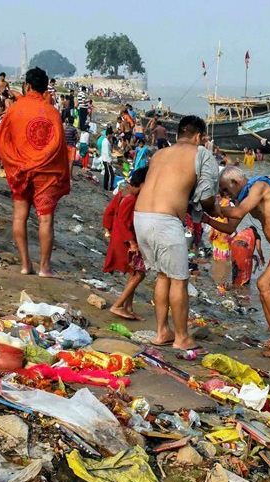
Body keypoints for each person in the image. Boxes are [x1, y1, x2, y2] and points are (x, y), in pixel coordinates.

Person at [134, 115, 219, 352]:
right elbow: (206, 197)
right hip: (165, 221)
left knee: (163, 276)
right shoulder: (202, 154)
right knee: (179, 280)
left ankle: (162, 331)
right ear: (199, 137)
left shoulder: (159, 154)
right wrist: (217, 211)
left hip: (140, 216)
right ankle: (182, 337)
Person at [208, 167, 270, 357]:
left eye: (225, 190)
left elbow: (237, 212)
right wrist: (207, 219)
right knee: (266, 289)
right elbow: (230, 227)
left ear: (234, 182)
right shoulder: (245, 198)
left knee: (264, 284)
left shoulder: (259, 186)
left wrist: (215, 208)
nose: (225, 195)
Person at [0, 67, 71, 277]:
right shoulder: (52, 112)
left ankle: (25, 264)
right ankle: (44, 267)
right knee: (45, 219)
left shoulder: (15, 109)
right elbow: (58, 145)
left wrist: (14, 162)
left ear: (27, 85)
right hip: (46, 173)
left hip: (20, 170)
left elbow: (3, 139)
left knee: (19, 216)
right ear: (44, 87)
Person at [102, 168, 149, 320]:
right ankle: (118, 306)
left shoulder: (123, 192)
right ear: (142, 183)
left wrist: (109, 229)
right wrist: (132, 243)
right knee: (139, 274)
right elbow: (123, 222)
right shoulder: (131, 199)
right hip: (125, 240)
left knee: (133, 273)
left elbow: (109, 212)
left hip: (118, 236)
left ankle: (128, 308)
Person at [100, 127, 115, 191]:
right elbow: (106, 152)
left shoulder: (105, 140)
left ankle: (105, 187)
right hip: (107, 160)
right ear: (109, 134)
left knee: (107, 173)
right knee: (111, 174)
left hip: (105, 159)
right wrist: (110, 161)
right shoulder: (106, 142)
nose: (112, 136)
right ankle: (110, 187)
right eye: (111, 134)